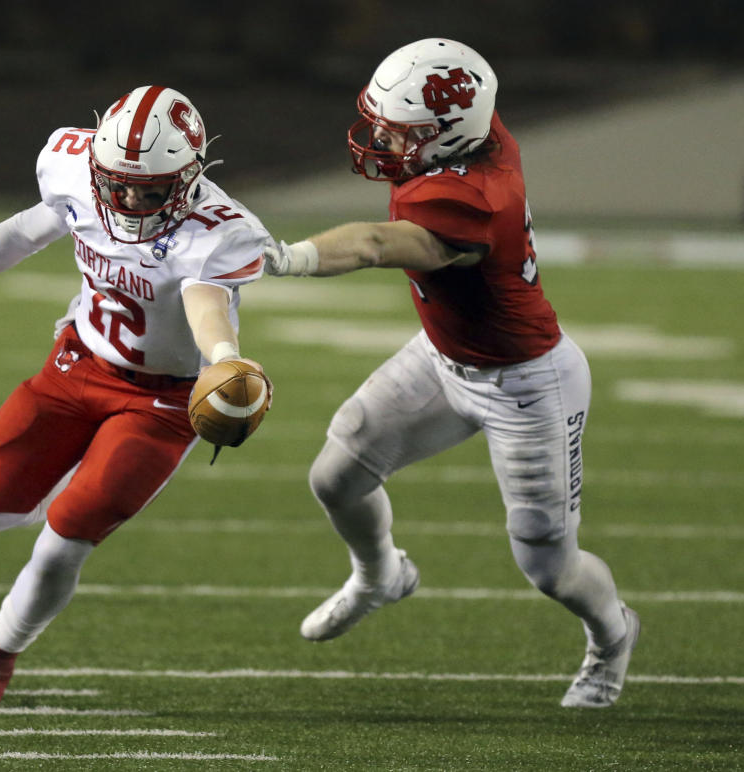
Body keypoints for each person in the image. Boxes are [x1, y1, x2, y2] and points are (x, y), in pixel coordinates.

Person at [264, 38, 639, 708]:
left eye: (396, 132)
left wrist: (287, 259)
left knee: (546, 565)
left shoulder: (472, 201)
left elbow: (376, 244)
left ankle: (611, 637)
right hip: (445, 356)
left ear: (447, 138)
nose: (378, 139)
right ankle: (380, 575)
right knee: (336, 473)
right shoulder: (477, 128)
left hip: (526, 381)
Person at [0, 85, 273, 714]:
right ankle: (76, 497)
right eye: (119, 185)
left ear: (193, 173)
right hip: (76, 364)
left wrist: (224, 359)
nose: (133, 200)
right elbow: (29, 228)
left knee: (64, 537)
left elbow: (207, 305)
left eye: (152, 190)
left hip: (163, 402)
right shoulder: (71, 160)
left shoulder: (222, 232)